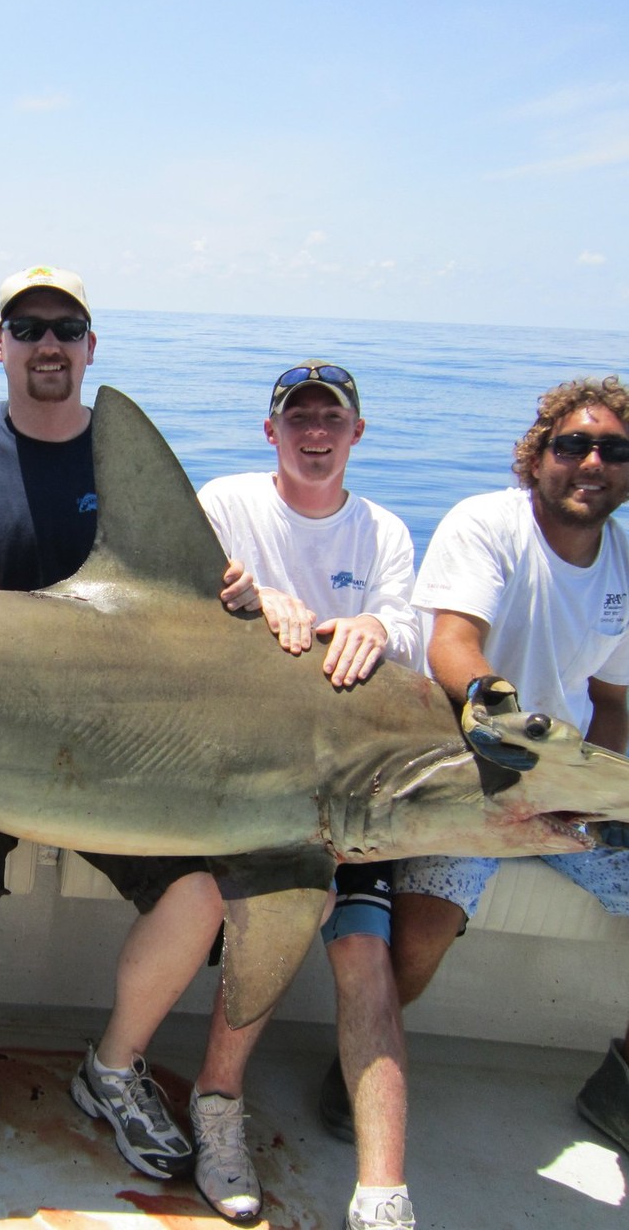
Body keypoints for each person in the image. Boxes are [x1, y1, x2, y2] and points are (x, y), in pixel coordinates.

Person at [0, 265, 256, 1186]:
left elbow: (181, 601)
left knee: (201, 895)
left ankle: (115, 1069)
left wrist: (243, 598)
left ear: (91, 346)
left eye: (66, 327)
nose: (47, 344)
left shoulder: (127, 459)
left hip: (120, 762)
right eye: (28, 326)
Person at [196, 360, 421, 1230]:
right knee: (286, 905)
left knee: (364, 953)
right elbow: (185, 600)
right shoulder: (227, 505)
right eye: (300, 417)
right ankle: (217, 1105)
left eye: (333, 418)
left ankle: (384, 1192)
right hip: (241, 776)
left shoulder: (384, 532)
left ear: (357, 433)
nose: (316, 431)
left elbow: (406, 625)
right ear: (272, 431)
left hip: (347, 788)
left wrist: (379, 626)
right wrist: (254, 602)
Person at [393, 375, 629, 1158]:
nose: (592, 461)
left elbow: (611, 698)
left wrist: (605, 795)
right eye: (573, 444)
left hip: (570, 789)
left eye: (615, 450)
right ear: (539, 455)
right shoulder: (487, 522)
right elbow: (452, 643)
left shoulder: (624, 562)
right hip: (474, 771)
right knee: (423, 928)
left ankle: (620, 1083)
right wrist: (492, 709)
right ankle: (368, 1067)